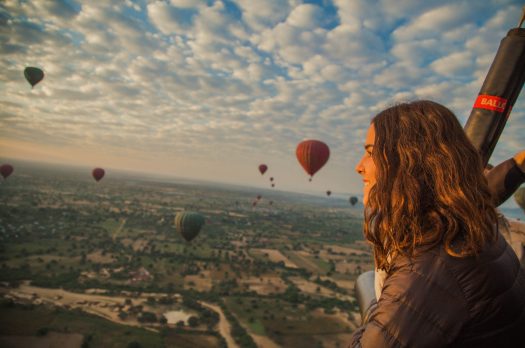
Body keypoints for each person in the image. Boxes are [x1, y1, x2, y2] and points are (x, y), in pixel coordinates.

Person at [351, 100, 525, 347]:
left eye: (370, 152)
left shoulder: (431, 264)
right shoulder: (470, 229)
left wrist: (374, 317)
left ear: (409, 162)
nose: (359, 167)